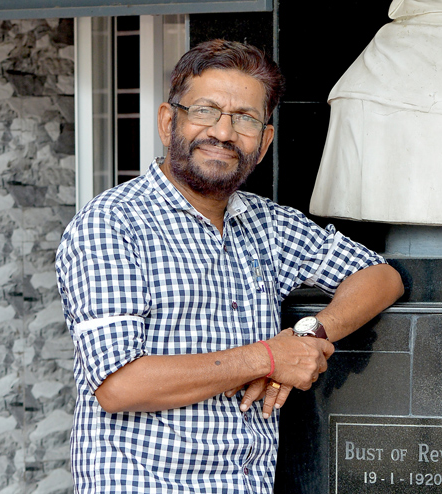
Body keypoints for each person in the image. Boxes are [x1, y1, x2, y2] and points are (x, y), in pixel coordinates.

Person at [55, 39, 404, 493]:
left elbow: (381, 277)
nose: (223, 132)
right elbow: (119, 385)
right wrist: (268, 357)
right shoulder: (112, 224)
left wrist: (309, 336)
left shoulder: (267, 224)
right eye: (205, 111)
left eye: (245, 119)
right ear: (168, 122)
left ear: (264, 142)